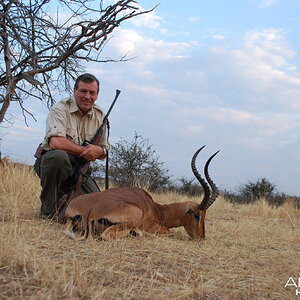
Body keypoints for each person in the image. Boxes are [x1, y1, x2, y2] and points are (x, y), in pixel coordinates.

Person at [34, 73, 109, 219]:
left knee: (100, 208)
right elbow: (55, 142)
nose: (87, 96)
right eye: (83, 91)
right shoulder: (60, 108)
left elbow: (104, 149)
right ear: (75, 91)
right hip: (54, 164)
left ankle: (66, 204)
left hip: (80, 169)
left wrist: (99, 150)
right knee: (58, 157)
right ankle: (48, 211)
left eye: (92, 93)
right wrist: (85, 151)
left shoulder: (100, 115)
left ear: (97, 95)